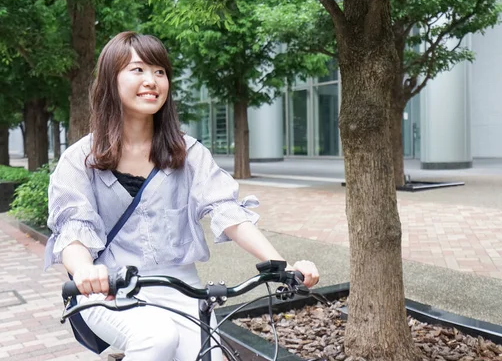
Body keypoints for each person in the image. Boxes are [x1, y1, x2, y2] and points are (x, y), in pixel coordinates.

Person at [44, 31, 319, 361]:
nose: (152, 80)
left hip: (180, 286)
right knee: (156, 339)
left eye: (160, 72)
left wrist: (283, 266)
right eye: (138, 70)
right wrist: (86, 271)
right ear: (110, 80)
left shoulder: (188, 153)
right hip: (109, 288)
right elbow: (73, 226)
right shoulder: (80, 159)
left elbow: (227, 211)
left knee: (211, 355)